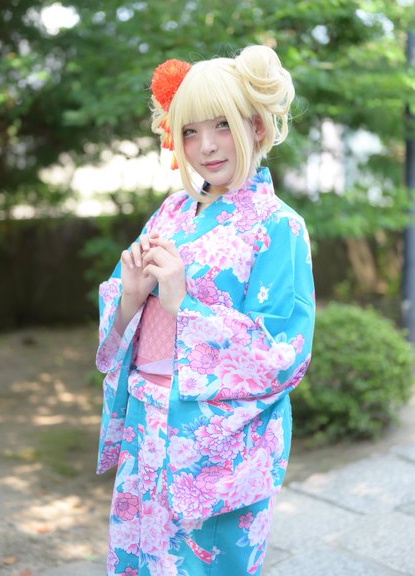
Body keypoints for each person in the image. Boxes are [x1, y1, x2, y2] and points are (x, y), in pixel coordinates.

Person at [95, 45, 316, 576]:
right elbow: (122, 317)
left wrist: (183, 305)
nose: (206, 145)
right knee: (140, 560)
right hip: (148, 420)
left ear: (256, 126)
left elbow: (282, 351)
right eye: (190, 131)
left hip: (213, 442)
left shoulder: (278, 225)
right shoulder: (172, 210)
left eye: (222, 125)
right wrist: (130, 297)